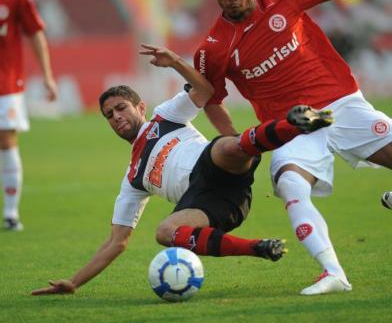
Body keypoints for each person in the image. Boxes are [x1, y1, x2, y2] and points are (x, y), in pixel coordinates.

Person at [31, 44, 332, 296]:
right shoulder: (133, 178)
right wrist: (74, 282)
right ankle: (260, 248)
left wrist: (174, 61)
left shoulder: (164, 117)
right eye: (109, 115)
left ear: (140, 107)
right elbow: (117, 242)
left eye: (121, 107)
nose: (116, 117)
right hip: (212, 203)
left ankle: (297, 123)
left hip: (213, 163)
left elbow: (204, 88)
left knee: (227, 147)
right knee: (164, 232)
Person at [185, 0, 392, 295]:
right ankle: (333, 273)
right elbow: (210, 98)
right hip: (293, 127)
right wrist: (236, 143)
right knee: (290, 185)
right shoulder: (213, 49)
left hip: (340, 105)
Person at [0, 0, 57, 231]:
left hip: (6, 81)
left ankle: (11, 213)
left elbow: (35, 32)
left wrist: (47, 76)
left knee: (7, 140)